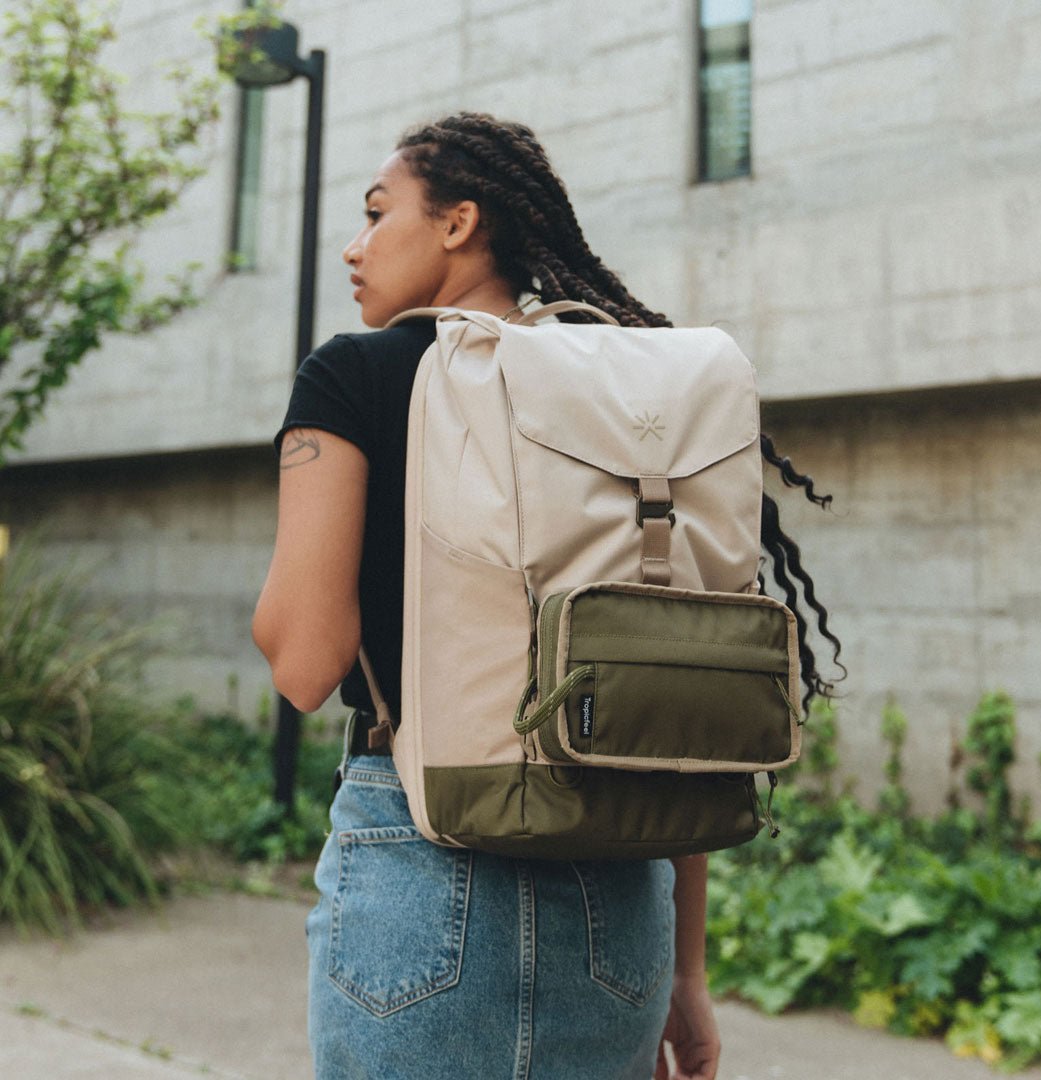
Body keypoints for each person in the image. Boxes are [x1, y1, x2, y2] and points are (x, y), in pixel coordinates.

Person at [253, 112, 840, 1080]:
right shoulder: (627, 394)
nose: (354, 250)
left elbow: (305, 661)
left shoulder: (353, 377)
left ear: (458, 223)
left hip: (420, 871)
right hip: (619, 912)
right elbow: (668, 700)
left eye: (375, 213)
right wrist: (688, 977)